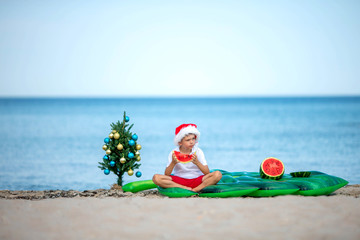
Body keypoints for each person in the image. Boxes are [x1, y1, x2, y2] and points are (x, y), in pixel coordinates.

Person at [152, 123, 222, 192]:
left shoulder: (198, 151)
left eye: (193, 139)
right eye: (188, 140)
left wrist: (197, 163)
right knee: (156, 178)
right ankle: (183, 188)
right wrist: (173, 163)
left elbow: (207, 173)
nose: (191, 142)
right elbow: (166, 174)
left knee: (217, 174)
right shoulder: (173, 153)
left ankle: (196, 189)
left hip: (197, 180)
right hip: (179, 180)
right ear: (180, 142)